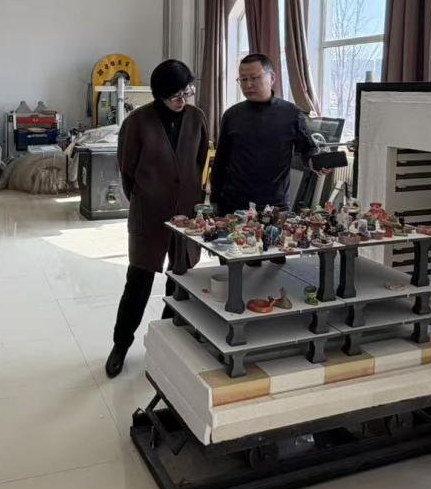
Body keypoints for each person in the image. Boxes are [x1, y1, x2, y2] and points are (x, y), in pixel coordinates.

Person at [105, 59, 209, 378]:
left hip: (186, 215)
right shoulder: (137, 122)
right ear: (158, 96)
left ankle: (165, 343)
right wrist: (147, 198)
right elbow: (127, 171)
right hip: (149, 214)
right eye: (175, 96)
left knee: (180, 281)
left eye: (187, 92)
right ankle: (121, 344)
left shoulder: (197, 118)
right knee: (138, 281)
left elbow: (200, 161)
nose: (183, 100)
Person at [210, 53, 320, 214]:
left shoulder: (291, 114)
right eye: (243, 79)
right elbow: (220, 162)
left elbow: (308, 149)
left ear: (272, 78)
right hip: (234, 204)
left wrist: (316, 161)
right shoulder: (232, 115)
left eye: (254, 78)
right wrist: (215, 200)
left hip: (275, 205)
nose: (248, 85)